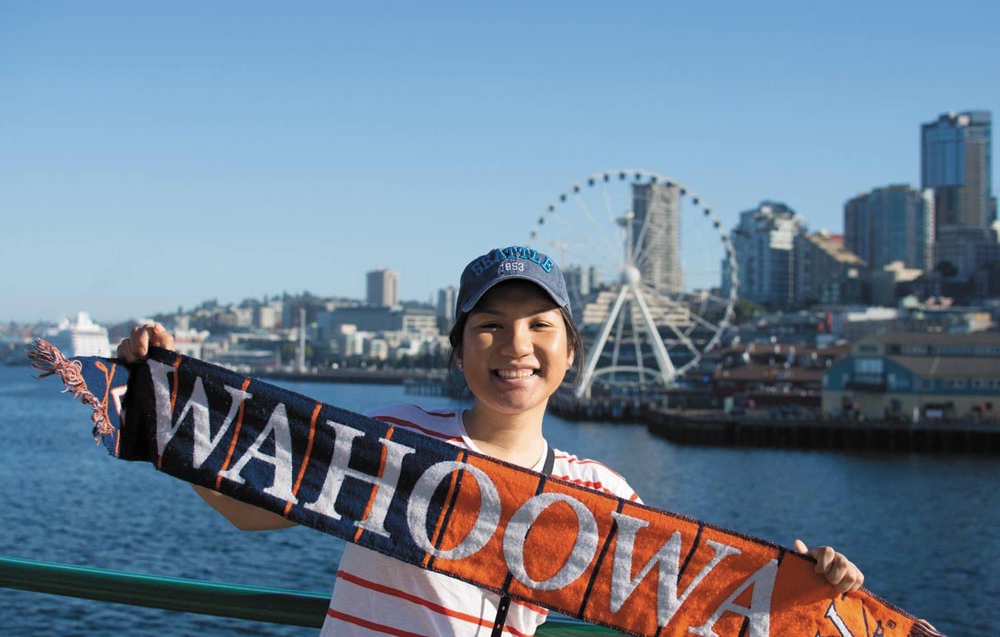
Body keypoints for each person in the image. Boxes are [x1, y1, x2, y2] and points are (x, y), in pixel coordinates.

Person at [118, 245, 864, 637]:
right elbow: (254, 507)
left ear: (571, 351)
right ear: (459, 349)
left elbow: (697, 602)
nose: (517, 345)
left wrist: (812, 589)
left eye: (541, 327)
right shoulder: (395, 437)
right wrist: (172, 402)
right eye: (491, 327)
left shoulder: (600, 496)